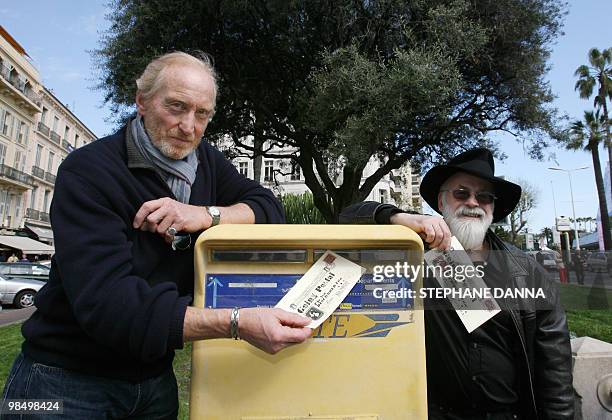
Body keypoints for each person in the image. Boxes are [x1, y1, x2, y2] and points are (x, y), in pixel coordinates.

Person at [1, 52, 311, 419]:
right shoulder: (88, 172)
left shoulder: (205, 162)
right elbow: (110, 306)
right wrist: (235, 322)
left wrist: (208, 215)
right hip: (61, 383)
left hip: (154, 383)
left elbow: (268, 208)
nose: (189, 126)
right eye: (176, 107)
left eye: (202, 114)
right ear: (142, 101)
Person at [340, 148, 574, 419]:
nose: (473, 202)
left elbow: (555, 368)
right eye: (462, 193)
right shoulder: (417, 254)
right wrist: (397, 217)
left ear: (493, 208)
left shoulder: (526, 272)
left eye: (484, 197)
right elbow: (346, 217)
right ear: (441, 203)